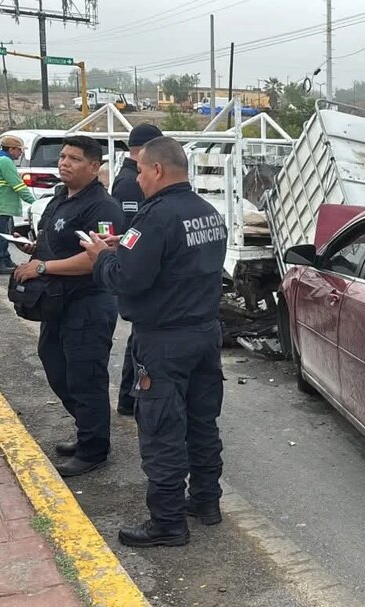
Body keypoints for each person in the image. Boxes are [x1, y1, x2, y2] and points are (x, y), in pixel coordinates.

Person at [81, 136, 225, 548]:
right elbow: (172, 262)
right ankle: (206, 502)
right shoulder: (209, 213)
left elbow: (127, 278)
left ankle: (167, 522)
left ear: (158, 170)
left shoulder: (155, 218)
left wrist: (101, 258)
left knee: (161, 429)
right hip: (204, 334)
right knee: (202, 422)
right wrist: (121, 251)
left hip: (164, 341)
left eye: (141, 170)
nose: (137, 178)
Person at [14, 135, 123, 478]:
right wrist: (36, 250)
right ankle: (88, 429)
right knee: (55, 365)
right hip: (57, 303)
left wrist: (43, 267)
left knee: (85, 376)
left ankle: (94, 448)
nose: (64, 163)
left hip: (88, 303)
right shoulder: (60, 199)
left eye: (74, 159)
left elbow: (96, 259)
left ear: (94, 166)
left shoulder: (103, 207)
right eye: (62, 157)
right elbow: (55, 241)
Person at [111, 123, 163, 417]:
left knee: (138, 340)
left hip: (139, 265)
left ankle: (129, 399)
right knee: (139, 340)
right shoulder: (131, 182)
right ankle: (129, 399)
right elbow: (131, 228)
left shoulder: (131, 176)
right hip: (136, 268)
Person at [0, 135, 36, 274]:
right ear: (11, 149)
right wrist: (35, 203)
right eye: (19, 150)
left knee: (5, 233)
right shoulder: (4, 162)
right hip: (0, 204)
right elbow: (18, 185)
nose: (21, 153)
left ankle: (5, 259)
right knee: (0, 234)